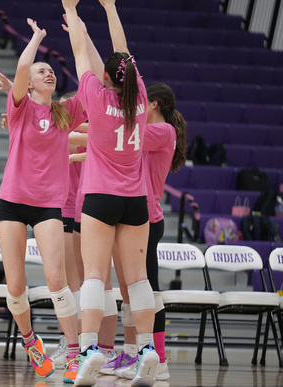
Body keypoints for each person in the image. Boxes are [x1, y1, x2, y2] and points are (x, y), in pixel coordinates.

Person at [62, 1, 159, 386]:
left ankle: (90, 351)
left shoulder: (96, 99)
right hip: (136, 199)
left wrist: (72, 12)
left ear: (105, 77)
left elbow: (80, 54)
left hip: (100, 197)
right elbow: (125, 57)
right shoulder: (139, 100)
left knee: (94, 278)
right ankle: (147, 350)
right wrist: (110, 8)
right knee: (138, 281)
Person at [0, 17, 86, 381]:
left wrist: (78, 37)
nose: (48, 74)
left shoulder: (65, 113)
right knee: (15, 286)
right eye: (41, 71)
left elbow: (89, 83)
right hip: (12, 201)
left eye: (50, 70)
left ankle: (74, 354)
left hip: (48, 204)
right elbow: (20, 67)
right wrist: (36, 38)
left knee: (56, 280)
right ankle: (31, 342)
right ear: (29, 83)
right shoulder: (20, 108)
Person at [112, 82, 187, 382]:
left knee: (150, 292)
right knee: (134, 293)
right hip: (134, 216)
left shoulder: (164, 131)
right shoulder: (151, 133)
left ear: (153, 104)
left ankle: (158, 358)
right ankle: (135, 354)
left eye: (143, 102)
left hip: (148, 218)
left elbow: (122, 132)